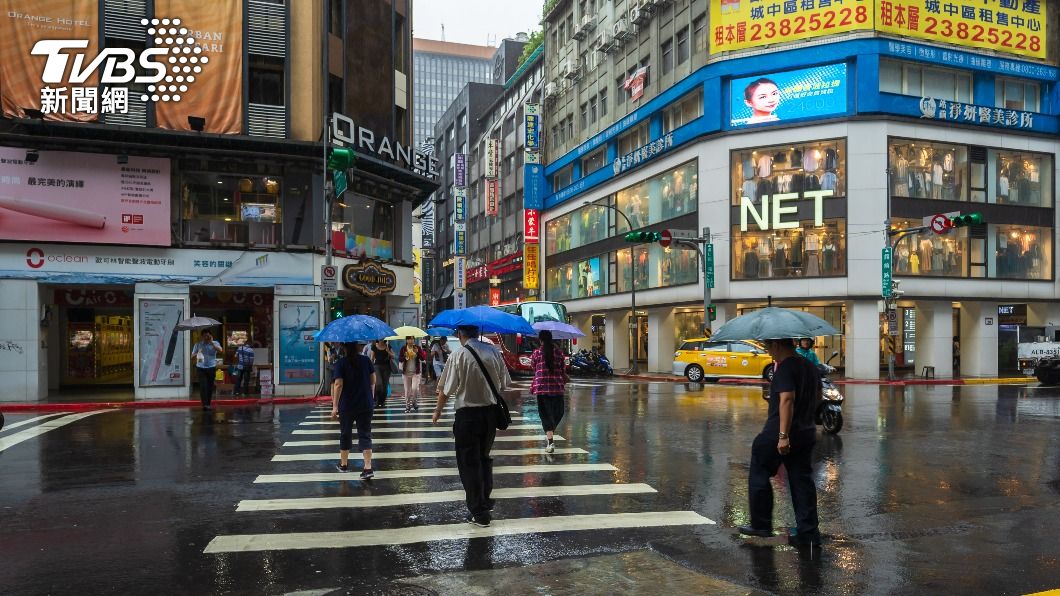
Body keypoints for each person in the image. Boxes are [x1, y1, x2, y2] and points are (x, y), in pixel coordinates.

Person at [739, 337, 822, 548]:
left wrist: (783, 435)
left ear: (777, 345)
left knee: (759, 467)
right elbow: (818, 397)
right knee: (801, 481)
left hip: (780, 432)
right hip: (806, 432)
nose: (769, 353)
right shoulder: (811, 367)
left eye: (768, 347)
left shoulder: (785, 368)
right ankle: (808, 533)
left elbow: (787, 399)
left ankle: (761, 524)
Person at [433, 325, 511, 528]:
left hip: (467, 416)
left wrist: (438, 411)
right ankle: (485, 500)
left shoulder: (458, 355)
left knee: (469, 463)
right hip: (490, 415)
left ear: (460, 334)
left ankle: (479, 512)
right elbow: (504, 383)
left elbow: (445, 389)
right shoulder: (494, 352)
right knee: (484, 458)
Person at [331, 341, 377, 478]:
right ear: (357, 347)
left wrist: (334, 406)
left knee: (345, 433)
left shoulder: (341, 363)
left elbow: (338, 385)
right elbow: (373, 380)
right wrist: (370, 397)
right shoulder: (366, 361)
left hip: (347, 405)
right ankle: (368, 467)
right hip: (365, 404)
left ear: (344, 348)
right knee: (365, 433)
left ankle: (344, 464)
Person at [531, 330, 568, 453]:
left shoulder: (536, 353)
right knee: (559, 412)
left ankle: (549, 434)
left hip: (542, 388)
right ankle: (550, 437)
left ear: (540, 340)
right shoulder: (559, 353)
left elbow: (533, 367)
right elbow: (563, 369)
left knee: (545, 415)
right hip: (557, 387)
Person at [191, 331, 222, 410]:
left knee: (210, 387)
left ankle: (208, 403)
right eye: (205, 336)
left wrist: (212, 343)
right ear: (202, 336)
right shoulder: (198, 344)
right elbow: (192, 356)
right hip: (201, 368)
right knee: (203, 386)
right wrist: (198, 352)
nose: (206, 337)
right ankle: (205, 404)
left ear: (211, 336)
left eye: (208, 336)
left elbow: (220, 350)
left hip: (211, 367)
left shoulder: (215, 343)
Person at [399, 336, 427, 412]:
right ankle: (407, 406)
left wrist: (417, 352)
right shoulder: (403, 348)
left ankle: (414, 402)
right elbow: (400, 359)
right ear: (406, 340)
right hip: (406, 373)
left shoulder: (417, 347)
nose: (411, 340)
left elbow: (422, 358)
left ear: (414, 340)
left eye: (412, 339)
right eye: (409, 339)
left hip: (415, 373)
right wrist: (404, 356)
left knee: (415, 389)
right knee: (407, 391)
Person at [370, 339, 394, 409]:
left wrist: (388, 351)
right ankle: (377, 401)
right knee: (379, 384)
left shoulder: (388, 346)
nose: (381, 339)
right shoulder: (374, 347)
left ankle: (382, 401)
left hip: (387, 368)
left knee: (384, 386)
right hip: (377, 367)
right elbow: (372, 358)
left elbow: (393, 356)